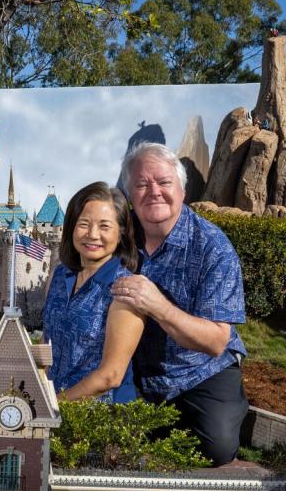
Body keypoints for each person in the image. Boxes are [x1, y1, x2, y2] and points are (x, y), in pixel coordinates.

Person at [113, 142, 248, 466]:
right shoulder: (116, 235)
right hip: (135, 372)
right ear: (130, 194)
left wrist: (157, 306)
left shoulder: (212, 247)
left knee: (217, 447)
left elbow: (216, 341)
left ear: (182, 190)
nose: (153, 192)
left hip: (199, 370)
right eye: (142, 184)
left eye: (163, 182)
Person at [42, 182, 145, 403]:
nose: (92, 234)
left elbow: (110, 376)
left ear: (121, 233)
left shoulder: (125, 289)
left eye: (105, 226)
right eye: (84, 224)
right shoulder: (59, 276)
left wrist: (54, 405)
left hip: (100, 418)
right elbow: (47, 342)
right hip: (52, 408)